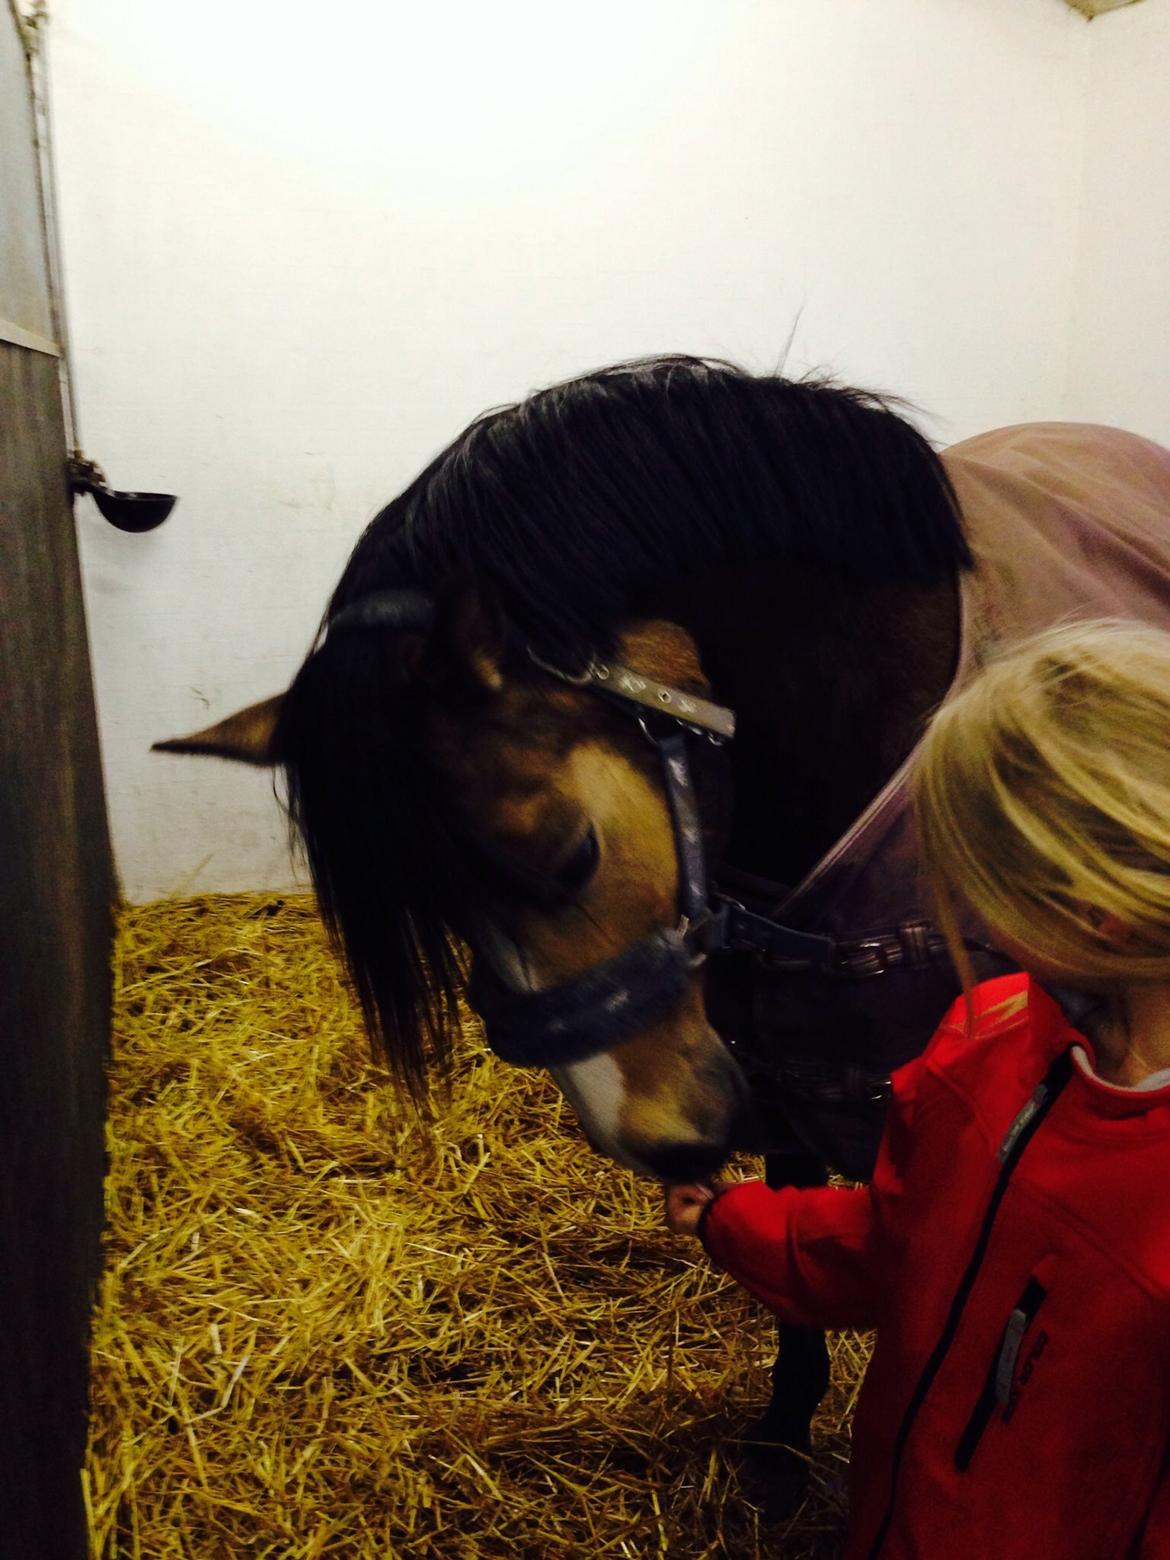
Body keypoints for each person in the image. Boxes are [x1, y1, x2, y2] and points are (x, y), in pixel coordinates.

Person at [666, 619, 1170, 1559]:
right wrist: (740, 1223)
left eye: (983, 892)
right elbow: (912, 1240)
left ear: (1086, 907)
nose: (972, 920)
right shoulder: (988, 1040)